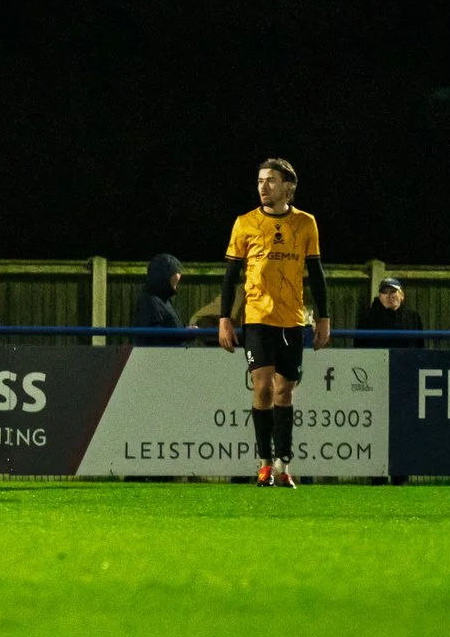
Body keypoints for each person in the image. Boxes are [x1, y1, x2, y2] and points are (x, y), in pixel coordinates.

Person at [219, 158, 331, 488]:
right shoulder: (245, 223)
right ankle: (264, 463)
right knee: (263, 387)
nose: (263, 187)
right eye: (259, 181)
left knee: (285, 392)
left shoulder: (305, 224)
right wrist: (225, 319)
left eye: (270, 180)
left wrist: (323, 317)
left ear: (288, 187)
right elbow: (230, 277)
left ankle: (283, 464)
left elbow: (317, 274)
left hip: (292, 320)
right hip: (257, 319)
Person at [128, 253, 203, 346]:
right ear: (164, 276)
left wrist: (185, 330)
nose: (178, 277)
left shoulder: (163, 299)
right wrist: (184, 333)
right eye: (174, 275)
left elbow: (169, 325)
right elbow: (153, 336)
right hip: (162, 356)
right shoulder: (150, 300)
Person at [355, 275, 426, 349]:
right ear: (380, 297)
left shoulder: (413, 317)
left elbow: (420, 346)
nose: (388, 295)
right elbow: (359, 347)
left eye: (393, 291)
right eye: (384, 292)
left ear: (402, 295)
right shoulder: (367, 318)